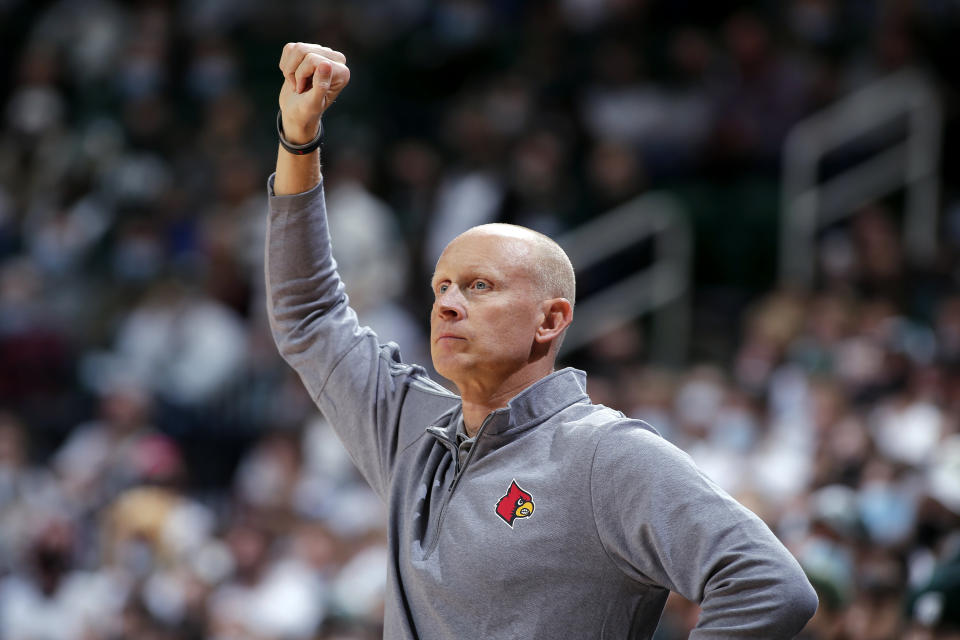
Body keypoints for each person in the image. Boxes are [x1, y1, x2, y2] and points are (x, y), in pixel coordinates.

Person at [266, 42, 818, 639]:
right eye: (441, 287)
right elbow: (309, 315)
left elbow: (769, 586)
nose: (448, 302)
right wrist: (299, 141)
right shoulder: (411, 430)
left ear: (551, 320)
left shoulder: (605, 455)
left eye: (478, 286)